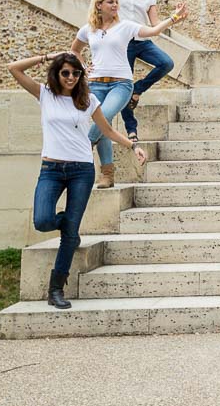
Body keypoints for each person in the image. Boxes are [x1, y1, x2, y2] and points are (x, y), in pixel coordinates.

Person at [8, 52, 147, 309]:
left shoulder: (88, 99)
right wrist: (47, 56)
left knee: (70, 233)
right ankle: (69, 228)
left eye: (76, 73)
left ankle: (56, 289)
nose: (71, 77)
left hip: (81, 171)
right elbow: (14, 69)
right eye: (66, 73)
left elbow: (106, 130)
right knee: (43, 220)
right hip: (51, 169)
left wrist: (133, 145)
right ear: (57, 74)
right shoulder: (45, 95)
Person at [71, 0, 187, 188]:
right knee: (104, 124)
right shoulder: (88, 29)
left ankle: (83, 148)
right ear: (99, 5)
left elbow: (153, 31)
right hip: (96, 83)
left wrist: (174, 18)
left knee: (103, 118)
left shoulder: (125, 26)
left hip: (121, 84)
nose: (115, 5)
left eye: (116, 2)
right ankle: (107, 174)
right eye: (110, 2)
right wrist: (83, 67)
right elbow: (74, 50)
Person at [70, 0, 176, 143]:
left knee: (166, 63)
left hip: (141, 41)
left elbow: (155, 24)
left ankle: (138, 89)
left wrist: (171, 20)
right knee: (123, 85)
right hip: (121, 44)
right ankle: (131, 130)